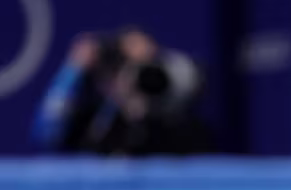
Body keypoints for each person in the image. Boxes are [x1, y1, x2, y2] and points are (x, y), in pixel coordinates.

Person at [31, 27, 208, 156]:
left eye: (140, 67)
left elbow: (195, 78)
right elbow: (46, 132)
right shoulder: (94, 122)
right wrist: (72, 70)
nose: (132, 75)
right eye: (123, 67)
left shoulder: (175, 122)